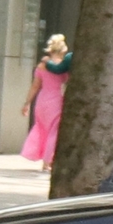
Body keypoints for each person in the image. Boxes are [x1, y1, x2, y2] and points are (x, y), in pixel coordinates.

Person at [21, 34, 73, 164]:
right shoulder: (63, 66)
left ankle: (34, 153)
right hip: (56, 100)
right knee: (54, 131)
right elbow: (68, 81)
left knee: (40, 127)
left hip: (42, 99)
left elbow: (35, 86)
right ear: (62, 50)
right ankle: (47, 161)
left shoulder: (41, 65)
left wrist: (27, 103)